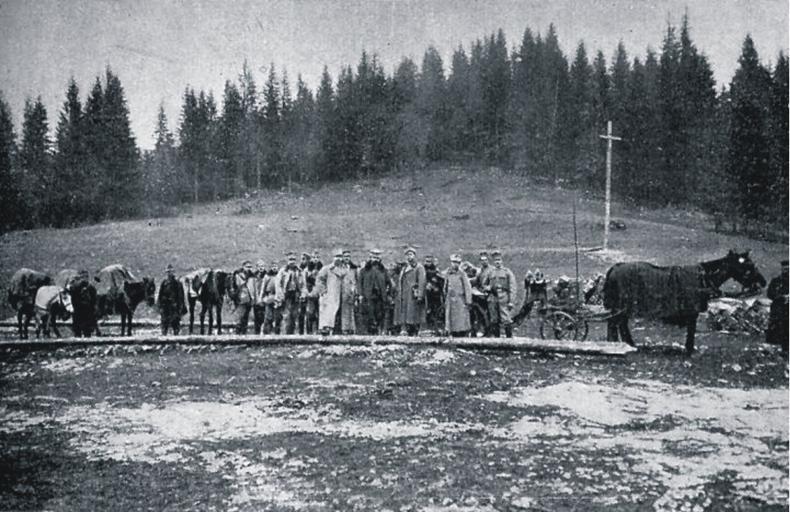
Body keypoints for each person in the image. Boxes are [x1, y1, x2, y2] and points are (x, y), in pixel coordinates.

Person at [316, 249, 356, 335]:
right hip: (331, 295)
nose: (338, 259)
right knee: (330, 312)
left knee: (345, 313)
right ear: (333, 258)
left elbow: (352, 281)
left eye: (340, 257)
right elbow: (319, 280)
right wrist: (323, 291)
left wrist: (351, 291)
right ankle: (327, 328)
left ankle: (345, 329)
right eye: (336, 257)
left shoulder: (347, 269)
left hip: (344, 295)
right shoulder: (327, 269)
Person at [482, 250, 517, 338]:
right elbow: (484, 284)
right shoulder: (490, 272)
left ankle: (509, 339)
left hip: (503, 297)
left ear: (502, 261)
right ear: (493, 262)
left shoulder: (507, 272)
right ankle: (497, 339)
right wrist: (488, 288)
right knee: (494, 319)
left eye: (499, 260)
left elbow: (512, 287)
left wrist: (511, 301)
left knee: (506, 319)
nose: (497, 262)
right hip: (493, 297)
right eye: (495, 260)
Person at [394, 246, 426, 336]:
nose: (409, 257)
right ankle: (404, 329)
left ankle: (418, 329)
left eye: (411, 254)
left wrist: (420, 294)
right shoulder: (404, 268)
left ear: (415, 256)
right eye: (407, 255)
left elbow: (422, 281)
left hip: (413, 294)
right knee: (404, 312)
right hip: (404, 294)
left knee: (415, 312)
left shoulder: (419, 267)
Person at [358, 249, 390, 334]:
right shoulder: (364, 270)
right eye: (373, 257)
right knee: (369, 314)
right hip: (368, 295)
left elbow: (389, 282)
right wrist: (360, 294)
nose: (375, 259)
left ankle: (379, 331)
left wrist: (388, 293)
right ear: (370, 258)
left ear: (380, 259)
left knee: (379, 314)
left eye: (377, 257)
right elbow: (359, 283)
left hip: (380, 296)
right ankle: (369, 332)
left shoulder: (383, 271)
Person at [275, 252, 307, 334]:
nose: (292, 262)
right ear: (287, 260)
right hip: (286, 295)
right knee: (286, 315)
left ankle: (292, 334)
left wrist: (303, 294)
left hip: (296, 295)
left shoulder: (300, 272)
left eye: (294, 259)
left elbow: (303, 285)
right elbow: (278, 284)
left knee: (295, 315)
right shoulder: (283, 271)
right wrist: (280, 295)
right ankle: (285, 334)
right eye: (290, 259)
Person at [444, 254, 473, 337]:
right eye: (453, 262)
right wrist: (445, 296)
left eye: (457, 262)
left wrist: (468, 301)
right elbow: (445, 285)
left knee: (461, 319)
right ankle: (452, 333)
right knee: (451, 319)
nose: (455, 264)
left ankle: (462, 334)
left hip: (460, 300)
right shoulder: (448, 273)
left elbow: (467, 287)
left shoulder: (462, 274)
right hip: (450, 299)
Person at [766, 260, 788, 353]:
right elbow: (770, 294)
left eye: (788, 269)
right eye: (785, 269)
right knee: (780, 330)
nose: (786, 271)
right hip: (779, 311)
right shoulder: (776, 281)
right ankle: (783, 349)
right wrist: (781, 297)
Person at [158, 264, 186, 335]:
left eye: (171, 272)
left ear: (173, 273)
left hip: (174, 308)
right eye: (168, 272)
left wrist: (180, 308)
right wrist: (160, 306)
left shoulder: (178, 284)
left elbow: (181, 297)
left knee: (175, 325)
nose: (169, 274)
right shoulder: (164, 283)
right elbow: (160, 296)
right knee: (164, 325)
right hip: (165, 307)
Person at [424, 254, 444, 334]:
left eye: (429, 261)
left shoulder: (435, 270)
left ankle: (436, 327)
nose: (428, 263)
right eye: (426, 261)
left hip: (435, 295)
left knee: (435, 311)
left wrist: (435, 284)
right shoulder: (423, 269)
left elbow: (440, 280)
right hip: (426, 294)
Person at [234, 260, 256, 334]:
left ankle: (244, 333)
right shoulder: (238, 275)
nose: (249, 268)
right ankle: (238, 334)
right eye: (247, 267)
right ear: (243, 267)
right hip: (241, 298)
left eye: (250, 267)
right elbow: (237, 285)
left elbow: (253, 287)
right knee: (240, 317)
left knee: (246, 318)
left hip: (249, 299)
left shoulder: (252, 276)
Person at [261, 261, 280, 334]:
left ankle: (277, 333)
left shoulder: (279, 275)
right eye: (273, 266)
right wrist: (262, 298)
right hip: (269, 296)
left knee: (278, 317)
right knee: (268, 316)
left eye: (276, 266)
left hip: (277, 297)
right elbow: (263, 287)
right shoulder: (267, 276)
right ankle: (267, 333)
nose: (274, 268)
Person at [252, 260, 268, 334]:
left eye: (262, 266)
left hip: (264, 299)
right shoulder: (254, 276)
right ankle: (257, 332)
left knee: (264, 317)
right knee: (256, 317)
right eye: (259, 266)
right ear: (257, 267)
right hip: (256, 298)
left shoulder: (267, 275)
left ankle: (264, 332)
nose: (261, 268)